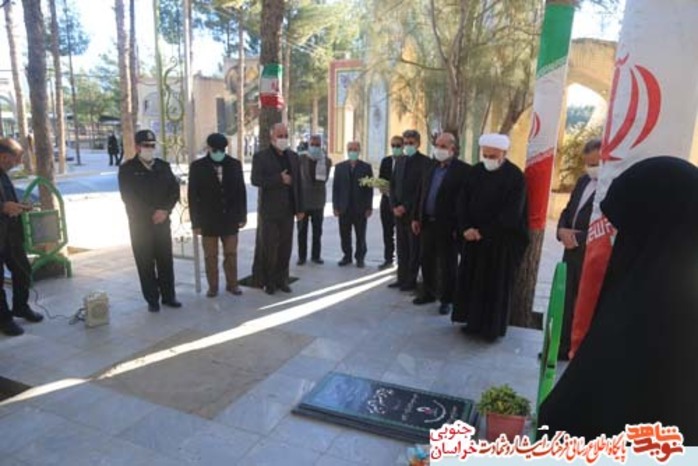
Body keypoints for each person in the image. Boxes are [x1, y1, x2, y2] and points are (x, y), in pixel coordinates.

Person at [539, 156, 698, 445]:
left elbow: (568, 420)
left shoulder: (644, 315)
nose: (615, 241)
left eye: (623, 230)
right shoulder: (672, 296)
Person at [452, 133, 528, 341]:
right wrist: (466, 227)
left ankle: (491, 329)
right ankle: (471, 322)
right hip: (473, 240)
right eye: (485, 155)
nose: (488, 160)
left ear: (504, 153)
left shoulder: (515, 177)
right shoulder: (475, 171)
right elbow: (462, 202)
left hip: (499, 243)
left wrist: (483, 232)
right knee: (472, 282)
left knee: (494, 286)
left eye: (493, 156)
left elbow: (512, 213)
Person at [118, 130, 181, 312]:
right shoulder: (127, 169)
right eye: (146, 145)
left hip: (162, 222)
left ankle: (169, 296)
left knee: (165, 261)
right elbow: (129, 197)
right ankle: (152, 299)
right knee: (145, 262)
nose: (150, 149)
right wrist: (151, 213)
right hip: (140, 225)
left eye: (152, 145)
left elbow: (173, 191)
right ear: (137, 147)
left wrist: (165, 210)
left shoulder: (163, 166)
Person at [411, 132, 470, 315]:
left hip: (448, 227)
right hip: (427, 223)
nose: (439, 149)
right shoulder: (430, 166)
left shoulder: (463, 171)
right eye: (437, 145)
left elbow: (465, 202)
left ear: (453, 148)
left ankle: (447, 299)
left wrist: (459, 227)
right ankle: (429, 293)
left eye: (443, 146)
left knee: (448, 265)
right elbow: (421, 193)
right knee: (426, 259)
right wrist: (416, 217)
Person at [554, 139, 600, 360]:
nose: (591, 168)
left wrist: (579, 238)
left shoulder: (611, 185)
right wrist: (561, 230)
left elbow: (608, 223)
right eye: (588, 164)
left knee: (583, 303)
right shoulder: (582, 181)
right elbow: (568, 210)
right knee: (565, 301)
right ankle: (561, 347)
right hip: (570, 252)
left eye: (595, 164)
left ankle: (578, 350)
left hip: (591, 254)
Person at [188, 133, 247, 298]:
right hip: (208, 220)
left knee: (231, 253)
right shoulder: (198, 167)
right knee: (210, 256)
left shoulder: (234, 165)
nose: (219, 153)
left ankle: (232, 284)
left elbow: (241, 192)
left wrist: (242, 216)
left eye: (222, 150)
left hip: (230, 218)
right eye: (215, 150)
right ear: (209, 148)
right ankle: (212, 287)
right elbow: (193, 196)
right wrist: (195, 223)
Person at [251, 123, 304, 295]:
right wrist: (278, 179)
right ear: (272, 137)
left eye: (285, 136)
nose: (283, 139)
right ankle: (269, 282)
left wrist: (300, 208)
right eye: (280, 136)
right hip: (269, 211)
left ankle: (282, 280)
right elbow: (256, 180)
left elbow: (299, 184)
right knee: (270, 248)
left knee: (285, 248)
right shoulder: (261, 157)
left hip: (288, 210)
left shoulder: (293, 157)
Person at [0, 138, 44, 336]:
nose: (18, 163)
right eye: (16, 158)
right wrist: (3, 207)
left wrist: (20, 206)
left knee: (22, 269)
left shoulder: (3, 174)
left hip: (11, 234)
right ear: (4, 156)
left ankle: (21, 306)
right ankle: (4, 320)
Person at [388, 129, 430, 291]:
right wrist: (394, 206)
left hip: (413, 213)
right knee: (401, 248)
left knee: (414, 249)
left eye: (411, 143)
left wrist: (405, 206)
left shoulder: (424, 163)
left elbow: (420, 190)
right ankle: (401, 277)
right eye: (405, 143)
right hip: (398, 213)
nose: (407, 146)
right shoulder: (400, 161)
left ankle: (411, 280)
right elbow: (392, 185)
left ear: (418, 144)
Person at [333, 141, 373, 268]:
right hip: (344, 207)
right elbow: (336, 188)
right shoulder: (339, 167)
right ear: (347, 150)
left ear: (359, 151)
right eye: (350, 149)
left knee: (360, 235)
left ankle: (360, 258)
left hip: (360, 207)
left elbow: (369, 189)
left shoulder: (366, 167)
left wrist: (369, 207)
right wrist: (335, 206)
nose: (352, 152)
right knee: (345, 234)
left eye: (355, 149)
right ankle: (347, 256)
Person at [297, 134, 331, 265]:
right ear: (308, 145)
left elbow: (325, 179)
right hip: (303, 201)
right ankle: (302, 257)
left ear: (321, 145)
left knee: (317, 231)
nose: (315, 147)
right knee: (302, 231)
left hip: (318, 201)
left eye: (317, 145)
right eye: (312, 144)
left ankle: (316, 256)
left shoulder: (326, 161)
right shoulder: (301, 159)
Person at [378, 135, 402, 270]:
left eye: (398, 145)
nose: (395, 148)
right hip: (386, 202)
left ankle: (402, 262)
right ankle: (388, 259)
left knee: (401, 234)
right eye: (393, 145)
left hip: (400, 204)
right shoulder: (386, 161)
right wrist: (384, 189)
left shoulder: (406, 161)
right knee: (387, 232)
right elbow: (381, 180)